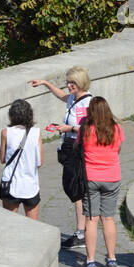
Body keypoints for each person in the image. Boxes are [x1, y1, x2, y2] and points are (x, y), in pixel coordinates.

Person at [30, 66, 92, 248]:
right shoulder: (74, 98)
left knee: (76, 189)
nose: (69, 86)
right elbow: (62, 96)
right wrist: (46, 84)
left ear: (80, 83)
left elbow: (90, 128)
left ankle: (81, 232)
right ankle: (81, 231)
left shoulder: (88, 103)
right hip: (68, 147)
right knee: (71, 188)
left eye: (72, 83)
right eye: (67, 83)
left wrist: (69, 129)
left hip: (77, 148)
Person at [81, 95, 125, 267]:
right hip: (112, 177)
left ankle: (90, 260)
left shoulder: (86, 129)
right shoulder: (116, 128)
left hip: (91, 177)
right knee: (108, 218)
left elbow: (80, 148)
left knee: (91, 220)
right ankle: (112, 259)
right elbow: (118, 149)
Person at [0, 99, 42, 219]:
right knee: (33, 226)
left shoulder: (6, 133)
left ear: (11, 115)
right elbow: (39, 162)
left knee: (11, 223)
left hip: (11, 184)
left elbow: (2, 159)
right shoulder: (36, 133)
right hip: (30, 185)